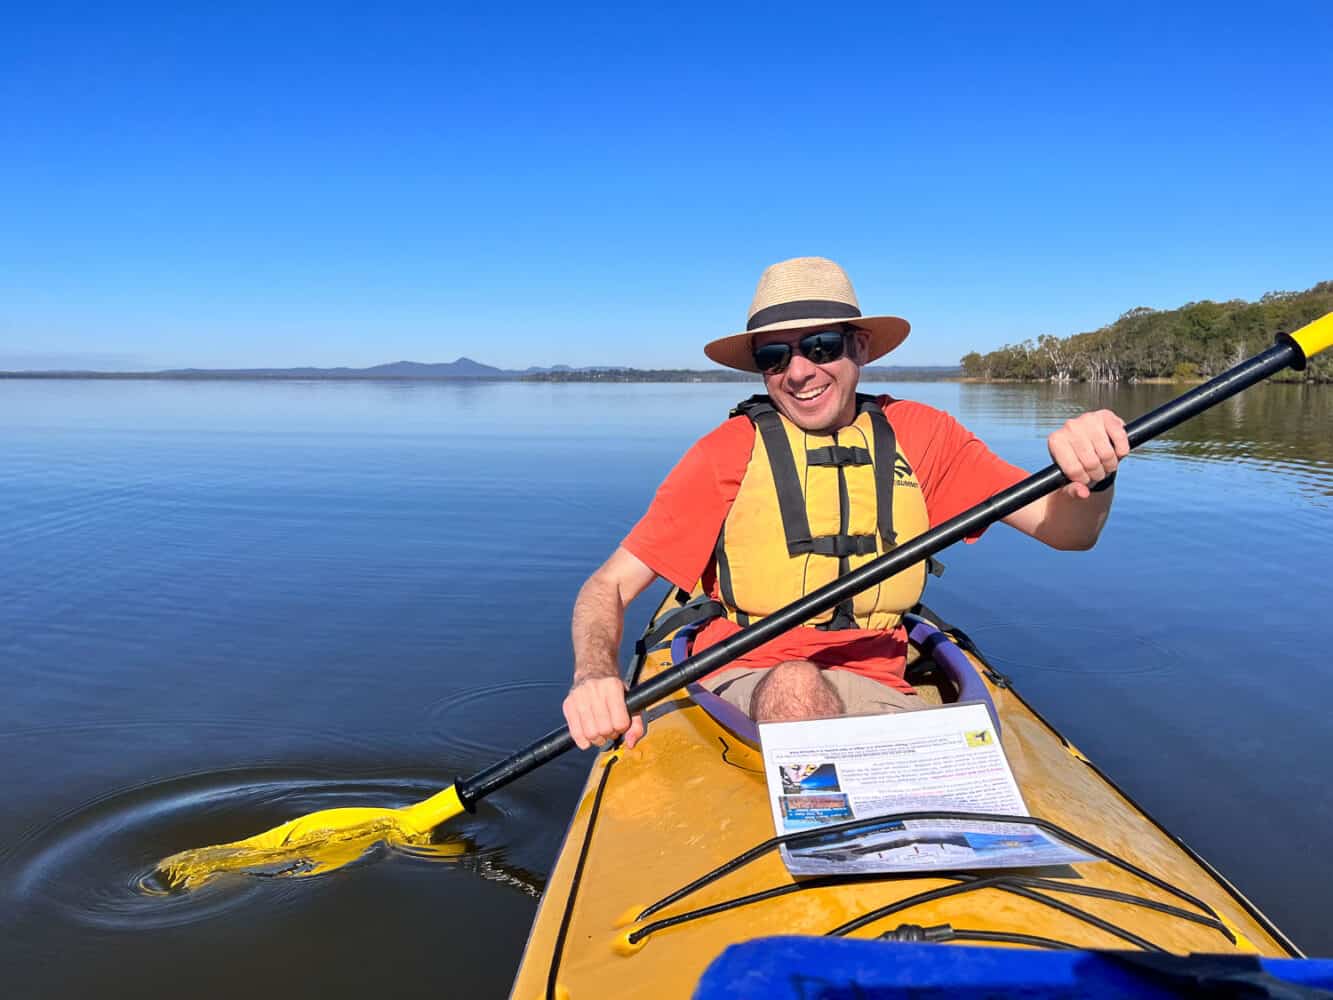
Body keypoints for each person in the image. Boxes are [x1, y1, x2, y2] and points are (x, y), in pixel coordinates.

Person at [563, 257, 1129, 750]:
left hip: (881, 682)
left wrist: (1092, 475)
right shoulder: (725, 452)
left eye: (821, 347)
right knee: (795, 685)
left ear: (859, 347)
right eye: (775, 357)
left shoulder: (924, 435)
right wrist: (594, 676)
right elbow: (607, 586)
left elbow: (1068, 532)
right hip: (744, 677)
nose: (799, 371)